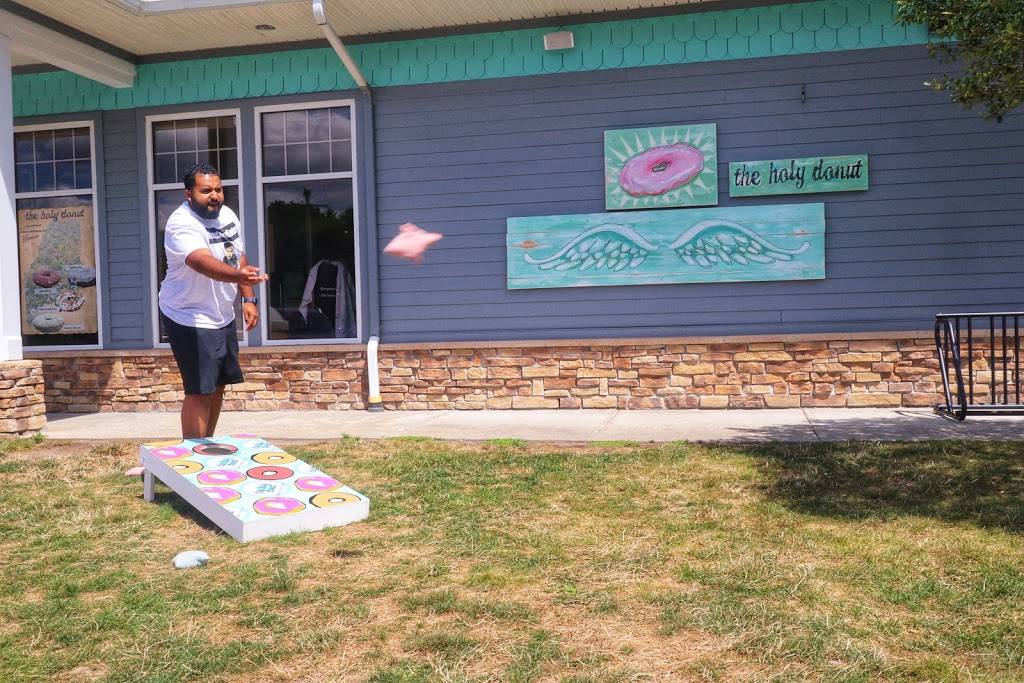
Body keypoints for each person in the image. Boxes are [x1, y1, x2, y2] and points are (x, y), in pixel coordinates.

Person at [158, 162, 268, 438]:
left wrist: (249, 298)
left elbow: (236, 254)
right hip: (188, 315)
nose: (215, 195)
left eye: (218, 189)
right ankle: (194, 459)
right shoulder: (180, 224)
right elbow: (202, 262)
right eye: (206, 190)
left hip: (221, 315)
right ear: (188, 194)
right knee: (199, 389)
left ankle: (206, 447)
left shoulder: (227, 215)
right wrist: (238, 276)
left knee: (218, 385)